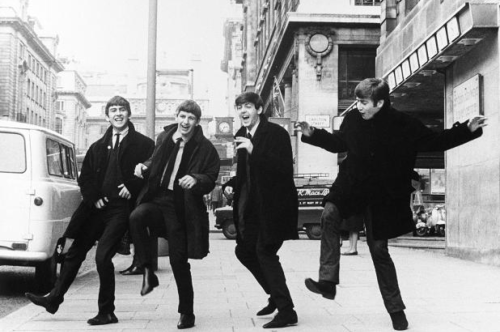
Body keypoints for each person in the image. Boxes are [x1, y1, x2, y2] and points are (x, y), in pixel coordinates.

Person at [295, 78, 487, 331]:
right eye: (357, 101)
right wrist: (313, 134)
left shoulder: (404, 124)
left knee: (379, 251)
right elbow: (339, 143)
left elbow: (436, 141)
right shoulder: (353, 119)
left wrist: (467, 129)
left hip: (383, 195)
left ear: (380, 102)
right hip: (352, 186)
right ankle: (328, 281)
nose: (358, 106)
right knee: (329, 212)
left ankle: (396, 309)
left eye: (363, 102)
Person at [25, 96, 155, 325]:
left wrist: (133, 186)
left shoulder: (144, 144)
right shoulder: (97, 146)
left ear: (129, 114)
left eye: (122, 110)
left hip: (120, 210)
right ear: (107, 116)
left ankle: (107, 311)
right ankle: (54, 299)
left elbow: (152, 173)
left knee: (103, 256)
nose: (118, 114)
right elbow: (84, 178)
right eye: (113, 110)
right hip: (96, 208)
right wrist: (93, 198)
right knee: (74, 253)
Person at [129, 100, 220, 330]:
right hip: (157, 199)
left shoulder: (205, 147)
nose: (185, 121)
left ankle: (186, 313)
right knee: (136, 217)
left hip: (181, 209)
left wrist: (197, 179)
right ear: (176, 116)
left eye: (191, 118)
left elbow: (211, 177)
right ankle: (148, 270)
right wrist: (143, 165)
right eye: (182, 116)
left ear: (197, 122)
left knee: (178, 262)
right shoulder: (164, 138)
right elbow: (155, 160)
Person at [223, 92, 299, 329]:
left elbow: (284, 169)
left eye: (247, 106)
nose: (243, 111)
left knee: (265, 252)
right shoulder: (241, 135)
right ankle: (275, 296)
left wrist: (255, 150)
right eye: (239, 107)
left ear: (259, 108)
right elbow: (248, 173)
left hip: (274, 206)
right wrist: (231, 184)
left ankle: (287, 311)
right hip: (252, 207)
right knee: (244, 251)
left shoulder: (276, 133)